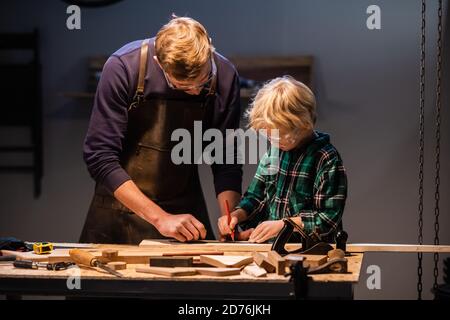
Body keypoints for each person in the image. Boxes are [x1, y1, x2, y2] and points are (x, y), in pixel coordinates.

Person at [80, 16, 242, 244]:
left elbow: (226, 160)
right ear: (159, 63)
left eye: (203, 81)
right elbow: (99, 157)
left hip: (185, 213)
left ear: (209, 50)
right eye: (182, 86)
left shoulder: (225, 75)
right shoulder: (124, 67)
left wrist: (231, 217)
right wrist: (161, 219)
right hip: (118, 213)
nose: (195, 91)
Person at [218, 76, 347, 243]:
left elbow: (328, 219)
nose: (273, 141)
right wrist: (236, 216)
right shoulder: (275, 151)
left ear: (302, 125)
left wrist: (285, 225)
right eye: (269, 135)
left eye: (279, 135)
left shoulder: (326, 159)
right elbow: (254, 197)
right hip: (273, 250)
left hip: (311, 253)